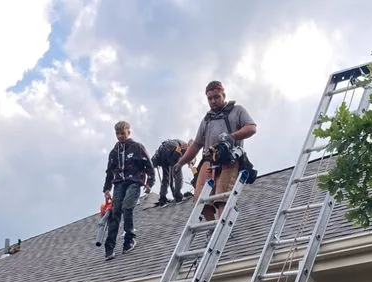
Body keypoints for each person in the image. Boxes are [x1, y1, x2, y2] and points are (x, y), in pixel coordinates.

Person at [173, 80, 257, 220]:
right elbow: (196, 145)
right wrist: (180, 163)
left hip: (229, 159)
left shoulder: (237, 111)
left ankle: (222, 226)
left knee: (222, 197)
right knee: (200, 200)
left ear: (224, 95)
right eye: (210, 98)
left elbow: (251, 127)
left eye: (217, 97)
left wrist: (232, 137)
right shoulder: (207, 119)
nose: (213, 101)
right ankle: (212, 231)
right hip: (208, 160)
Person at [102, 120, 154, 260]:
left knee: (127, 207)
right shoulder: (114, 152)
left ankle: (129, 238)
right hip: (119, 183)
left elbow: (149, 165)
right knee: (115, 212)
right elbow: (109, 172)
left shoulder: (137, 147)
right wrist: (107, 189)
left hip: (134, 181)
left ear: (129, 132)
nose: (120, 136)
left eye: (123, 133)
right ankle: (109, 246)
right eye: (118, 134)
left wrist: (149, 182)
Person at [151, 138, 191, 205]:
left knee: (166, 178)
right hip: (172, 150)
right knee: (178, 172)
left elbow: (172, 182)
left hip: (163, 153)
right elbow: (185, 146)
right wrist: (176, 155)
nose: (189, 164)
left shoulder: (176, 144)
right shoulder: (188, 147)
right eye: (190, 162)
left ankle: (163, 198)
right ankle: (178, 196)